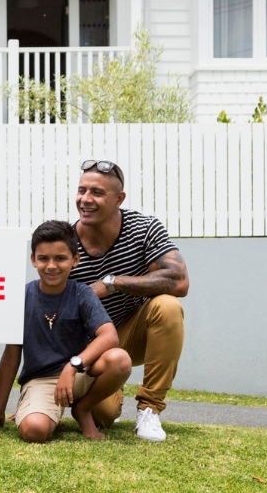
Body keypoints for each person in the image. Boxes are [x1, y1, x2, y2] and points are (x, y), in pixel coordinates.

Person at [68, 159, 188, 442]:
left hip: (133, 330)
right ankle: (112, 395)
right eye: (81, 190)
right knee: (104, 417)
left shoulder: (144, 228)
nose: (86, 199)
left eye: (97, 192)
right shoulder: (65, 240)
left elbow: (180, 281)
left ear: (119, 199)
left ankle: (149, 409)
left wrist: (112, 283)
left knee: (168, 306)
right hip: (93, 346)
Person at [0, 220, 132, 442]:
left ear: (75, 260)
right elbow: (10, 357)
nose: (52, 266)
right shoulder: (21, 297)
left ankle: (82, 410)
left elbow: (109, 335)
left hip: (79, 375)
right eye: (44, 258)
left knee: (119, 361)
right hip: (41, 381)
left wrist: (72, 367)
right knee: (34, 431)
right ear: (33, 259)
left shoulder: (82, 294)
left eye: (60, 258)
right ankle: (38, 410)